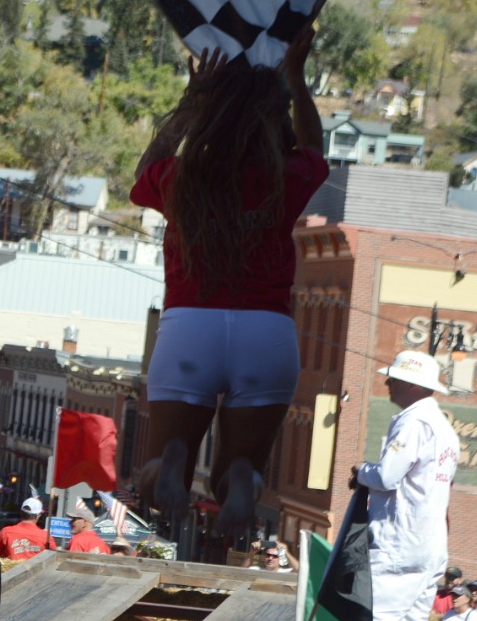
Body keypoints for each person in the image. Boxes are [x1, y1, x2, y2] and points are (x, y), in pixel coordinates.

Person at [130, 27, 328, 534]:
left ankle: (171, 462)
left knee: (156, 468)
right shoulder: (284, 177)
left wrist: (191, 102)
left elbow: (143, 171)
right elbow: (314, 147)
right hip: (266, 334)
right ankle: (239, 480)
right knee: (241, 466)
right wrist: (296, 77)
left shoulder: (181, 178)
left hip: (189, 327)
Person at [302, 350, 459, 621]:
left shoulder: (412, 422)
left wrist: (362, 472)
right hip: (430, 541)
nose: (387, 382)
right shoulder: (445, 429)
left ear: (410, 383)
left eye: (393, 377)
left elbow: (388, 476)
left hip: (398, 539)